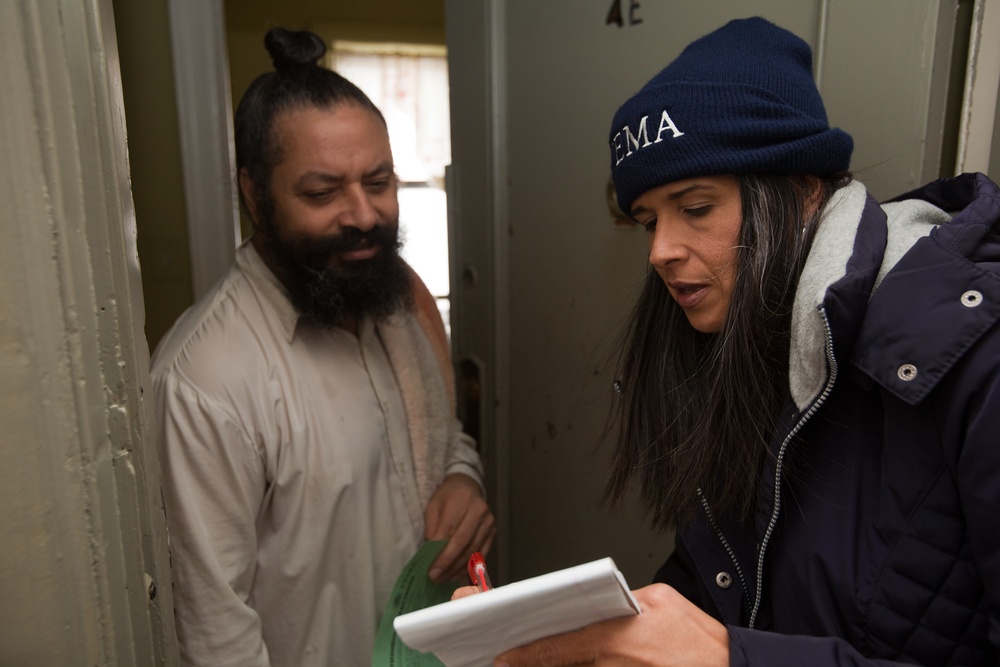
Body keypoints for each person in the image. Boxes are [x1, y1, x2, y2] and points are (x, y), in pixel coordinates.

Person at [456, 16, 1000, 666]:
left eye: (695, 207)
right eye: (647, 220)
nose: (659, 251)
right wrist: (590, 640)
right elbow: (721, 587)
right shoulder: (735, 343)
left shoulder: (977, 353)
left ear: (801, 191)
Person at [150, 27, 495, 667]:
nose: (363, 215)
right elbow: (214, 635)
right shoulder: (205, 380)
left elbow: (447, 438)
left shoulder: (394, 306)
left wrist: (461, 480)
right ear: (255, 195)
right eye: (322, 192)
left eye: (379, 181)